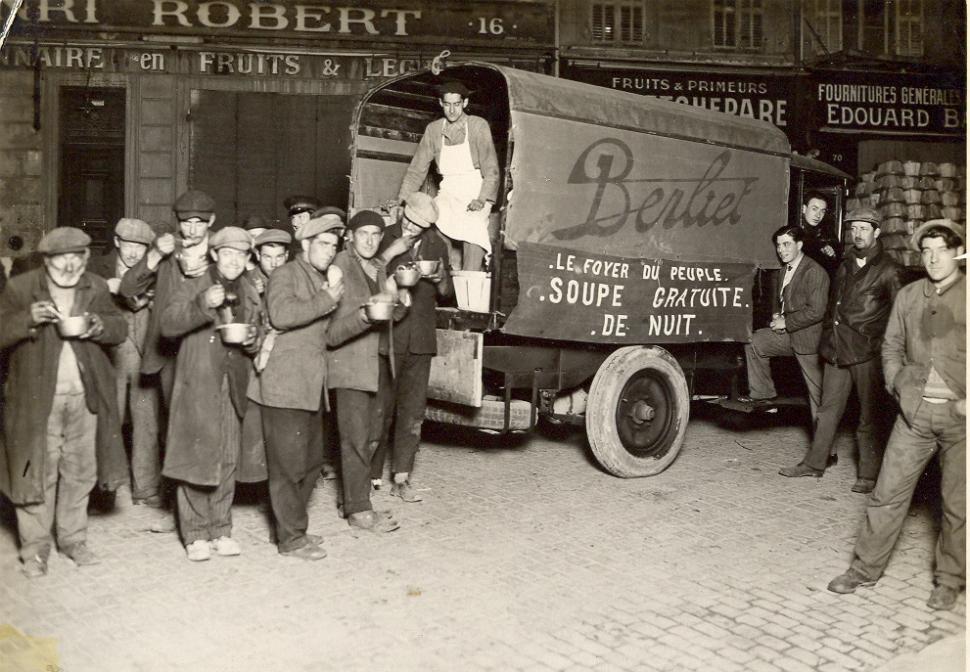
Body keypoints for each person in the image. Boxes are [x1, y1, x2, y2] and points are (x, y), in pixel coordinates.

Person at [828, 219, 965, 611]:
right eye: (927, 251)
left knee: (958, 505)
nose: (934, 257)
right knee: (886, 494)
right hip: (915, 416)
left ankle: (950, 580)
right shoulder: (908, 297)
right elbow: (890, 346)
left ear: (957, 253)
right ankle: (864, 568)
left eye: (941, 249)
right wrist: (897, 386)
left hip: (961, 421)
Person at [0, 227, 127, 577]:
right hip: (36, 400)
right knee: (35, 472)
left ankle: (73, 539)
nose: (70, 265)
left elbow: (120, 328)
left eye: (77, 257)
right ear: (46, 260)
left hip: (85, 397)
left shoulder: (96, 286)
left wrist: (100, 325)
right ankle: (36, 549)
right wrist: (27, 318)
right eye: (61, 258)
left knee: (80, 470)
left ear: (86, 258)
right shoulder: (21, 288)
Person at [779, 208, 903, 491]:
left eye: (863, 228)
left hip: (866, 352)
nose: (857, 234)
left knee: (869, 416)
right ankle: (814, 463)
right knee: (827, 409)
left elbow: (900, 316)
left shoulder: (889, 270)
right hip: (836, 348)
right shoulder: (845, 264)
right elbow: (833, 304)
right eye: (854, 228)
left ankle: (868, 475)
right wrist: (826, 336)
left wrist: (885, 350)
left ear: (877, 232)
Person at [160, 226, 263, 562]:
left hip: (232, 382)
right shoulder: (194, 283)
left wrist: (252, 339)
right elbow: (168, 324)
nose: (234, 260)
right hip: (198, 383)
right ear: (215, 255)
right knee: (196, 456)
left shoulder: (249, 288)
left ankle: (221, 528)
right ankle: (195, 534)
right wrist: (203, 302)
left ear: (248, 259)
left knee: (229, 457)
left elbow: (258, 330)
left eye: (241, 254)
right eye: (228, 253)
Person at [248, 213, 345, 560]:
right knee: (287, 467)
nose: (330, 251)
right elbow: (281, 316)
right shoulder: (285, 274)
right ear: (305, 244)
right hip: (284, 386)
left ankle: (294, 528)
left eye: (334, 246)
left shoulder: (320, 280)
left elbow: (329, 335)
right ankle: (289, 539)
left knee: (309, 463)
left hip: (310, 387)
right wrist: (328, 299)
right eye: (323, 244)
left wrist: (363, 317)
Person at [327, 210, 409, 534]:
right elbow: (331, 334)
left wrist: (401, 299)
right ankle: (358, 511)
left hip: (375, 366)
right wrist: (366, 314)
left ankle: (355, 499)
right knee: (355, 440)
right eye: (364, 234)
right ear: (350, 236)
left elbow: (388, 316)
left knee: (369, 437)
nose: (371, 240)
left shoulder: (376, 268)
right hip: (348, 366)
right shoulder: (340, 266)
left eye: (377, 234)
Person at [370, 192, 452, 501]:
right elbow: (369, 277)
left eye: (417, 226)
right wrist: (392, 253)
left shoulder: (436, 245)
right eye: (407, 220)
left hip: (420, 338)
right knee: (380, 409)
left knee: (413, 412)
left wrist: (440, 276)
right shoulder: (384, 237)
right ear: (402, 211)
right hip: (388, 336)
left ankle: (401, 477)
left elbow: (446, 293)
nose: (410, 228)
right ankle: (372, 475)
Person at [88, 218, 163, 507]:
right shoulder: (97, 267)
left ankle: (145, 488)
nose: (133, 253)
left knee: (147, 423)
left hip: (145, 355)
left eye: (140, 248)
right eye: (128, 246)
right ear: (117, 242)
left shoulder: (153, 271)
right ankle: (104, 488)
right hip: (112, 357)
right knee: (110, 420)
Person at [119, 189, 216, 407]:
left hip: (207, 348)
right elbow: (127, 289)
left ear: (212, 221)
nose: (191, 230)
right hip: (169, 349)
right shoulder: (166, 248)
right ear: (177, 222)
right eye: (185, 223)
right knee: (174, 421)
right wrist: (155, 255)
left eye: (199, 223)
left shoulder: (221, 250)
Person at [396, 80, 499, 272]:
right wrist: (402, 200)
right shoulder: (433, 130)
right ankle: (444, 276)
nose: (452, 110)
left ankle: (469, 283)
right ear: (441, 103)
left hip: (476, 189)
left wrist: (482, 199)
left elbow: (491, 169)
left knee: (473, 229)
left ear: (465, 103)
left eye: (457, 104)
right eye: (448, 104)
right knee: (432, 220)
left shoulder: (478, 126)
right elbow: (416, 169)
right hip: (449, 190)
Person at [741, 225, 829, 422]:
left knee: (818, 396)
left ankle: (825, 448)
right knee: (755, 342)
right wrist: (776, 315)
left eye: (787, 244)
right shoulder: (784, 271)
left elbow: (817, 311)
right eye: (779, 245)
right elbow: (786, 302)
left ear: (800, 244)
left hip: (809, 340)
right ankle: (763, 395)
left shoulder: (814, 271)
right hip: (788, 335)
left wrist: (786, 322)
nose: (781, 250)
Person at [800, 191, 840, 275]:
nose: (818, 215)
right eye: (814, 209)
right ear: (804, 209)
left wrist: (832, 255)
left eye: (822, 211)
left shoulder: (827, 234)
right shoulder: (794, 231)